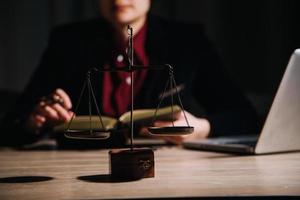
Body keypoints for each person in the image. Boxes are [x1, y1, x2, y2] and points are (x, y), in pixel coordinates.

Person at [1, 0, 257, 148]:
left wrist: (202, 128)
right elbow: (12, 124)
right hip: (77, 172)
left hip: (167, 173)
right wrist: (36, 120)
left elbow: (245, 118)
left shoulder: (186, 42)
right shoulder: (69, 42)